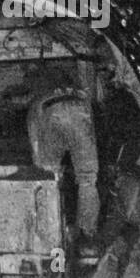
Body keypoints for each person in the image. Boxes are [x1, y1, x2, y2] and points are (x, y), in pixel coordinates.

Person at [27, 83, 100, 243]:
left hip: (51, 111)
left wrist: (40, 165)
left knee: (48, 178)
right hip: (80, 109)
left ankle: (51, 233)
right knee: (87, 179)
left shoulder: (35, 104)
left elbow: (35, 142)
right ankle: (87, 232)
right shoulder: (75, 92)